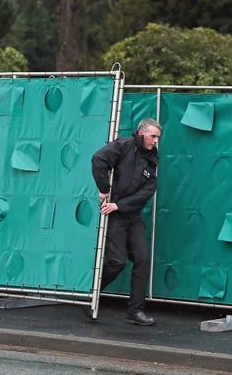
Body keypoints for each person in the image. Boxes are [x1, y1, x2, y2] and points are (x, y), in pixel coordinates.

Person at [91, 118, 161, 326]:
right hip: (116, 218)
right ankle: (90, 294)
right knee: (117, 262)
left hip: (132, 215)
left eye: (158, 137)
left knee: (142, 259)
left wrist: (119, 205)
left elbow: (148, 191)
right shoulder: (124, 145)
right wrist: (104, 189)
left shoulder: (153, 158)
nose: (155, 141)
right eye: (153, 136)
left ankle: (135, 311)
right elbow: (98, 160)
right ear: (141, 133)